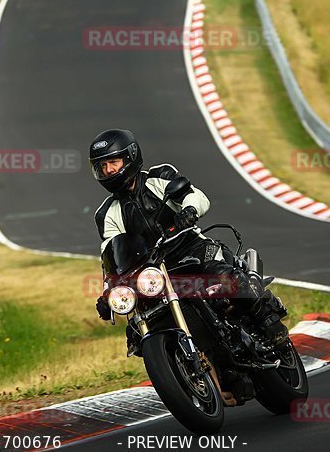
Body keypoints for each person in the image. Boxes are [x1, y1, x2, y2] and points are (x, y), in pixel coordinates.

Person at [89, 128, 288, 345]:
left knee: (225, 279)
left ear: (130, 157)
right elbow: (110, 258)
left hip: (190, 248)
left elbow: (195, 196)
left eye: (113, 162)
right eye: (102, 166)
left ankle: (267, 320)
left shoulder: (159, 177)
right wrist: (109, 292)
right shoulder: (106, 213)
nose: (108, 170)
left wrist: (190, 210)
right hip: (153, 271)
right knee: (136, 332)